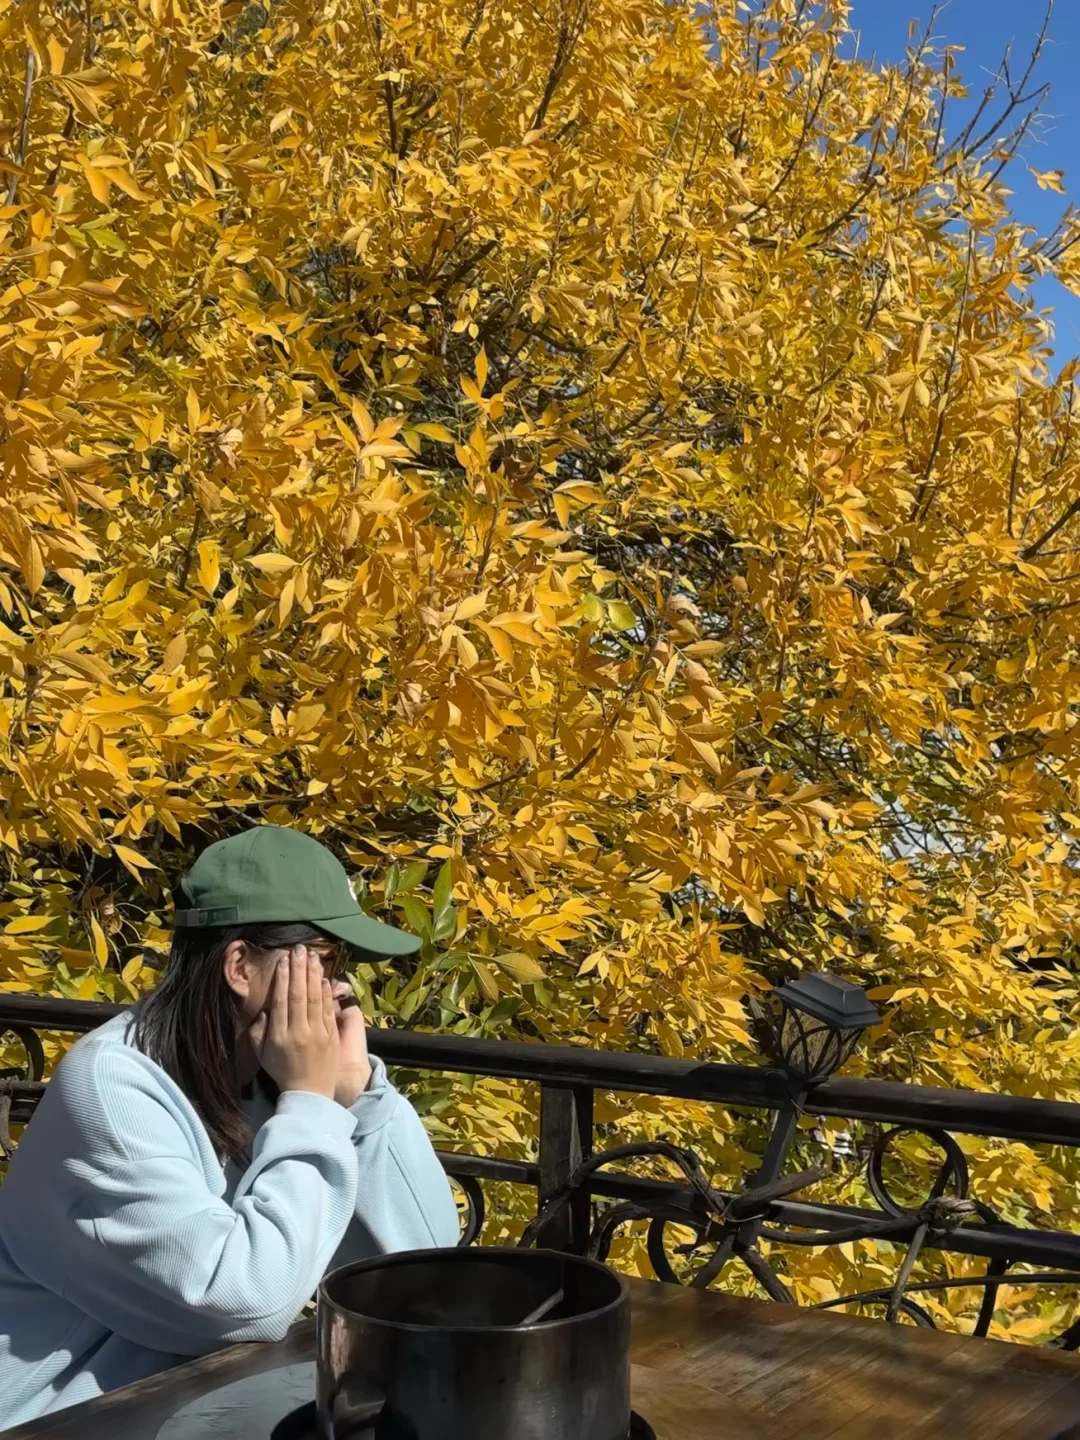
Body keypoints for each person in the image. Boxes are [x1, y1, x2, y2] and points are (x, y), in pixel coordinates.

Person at [0, 825, 459, 1427]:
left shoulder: (265, 1075)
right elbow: (246, 1302)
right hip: (57, 1418)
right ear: (240, 966)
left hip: (191, 1403)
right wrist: (311, 1103)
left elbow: (426, 1265)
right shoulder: (112, 1089)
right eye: (325, 961)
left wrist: (359, 1099)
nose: (339, 989)